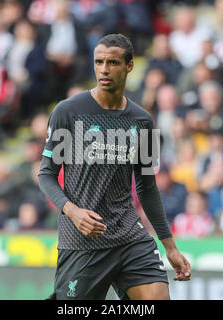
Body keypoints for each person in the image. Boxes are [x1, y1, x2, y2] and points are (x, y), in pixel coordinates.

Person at [38, 34, 191, 300]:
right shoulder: (68, 112)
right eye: (99, 62)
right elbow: (46, 175)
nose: (104, 70)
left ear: (129, 66)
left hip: (129, 236)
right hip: (83, 241)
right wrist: (72, 212)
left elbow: (147, 188)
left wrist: (170, 247)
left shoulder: (143, 121)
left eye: (113, 62)